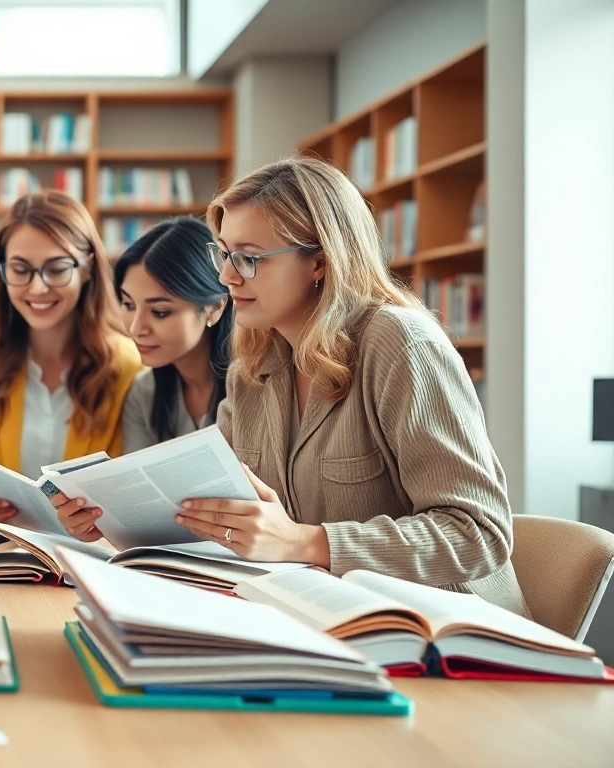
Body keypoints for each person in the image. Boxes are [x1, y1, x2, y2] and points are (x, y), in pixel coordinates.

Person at [177, 157, 527, 615]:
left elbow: (477, 533)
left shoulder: (401, 345)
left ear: (319, 262)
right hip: (332, 618)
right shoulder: (254, 369)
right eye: (223, 253)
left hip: (450, 632)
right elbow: (219, 503)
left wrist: (306, 542)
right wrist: (109, 518)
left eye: (249, 258)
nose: (226, 276)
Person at [0, 191, 141, 529]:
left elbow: (123, 494)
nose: (37, 287)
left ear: (88, 268)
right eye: (21, 270)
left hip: (85, 556)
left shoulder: (128, 364)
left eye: (56, 269)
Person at [58, 216, 231, 541]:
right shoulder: (143, 392)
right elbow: (139, 509)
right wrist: (98, 519)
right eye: (127, 305)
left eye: (160, 311)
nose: (136, 327)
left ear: (214, 308)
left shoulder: (257, 391)